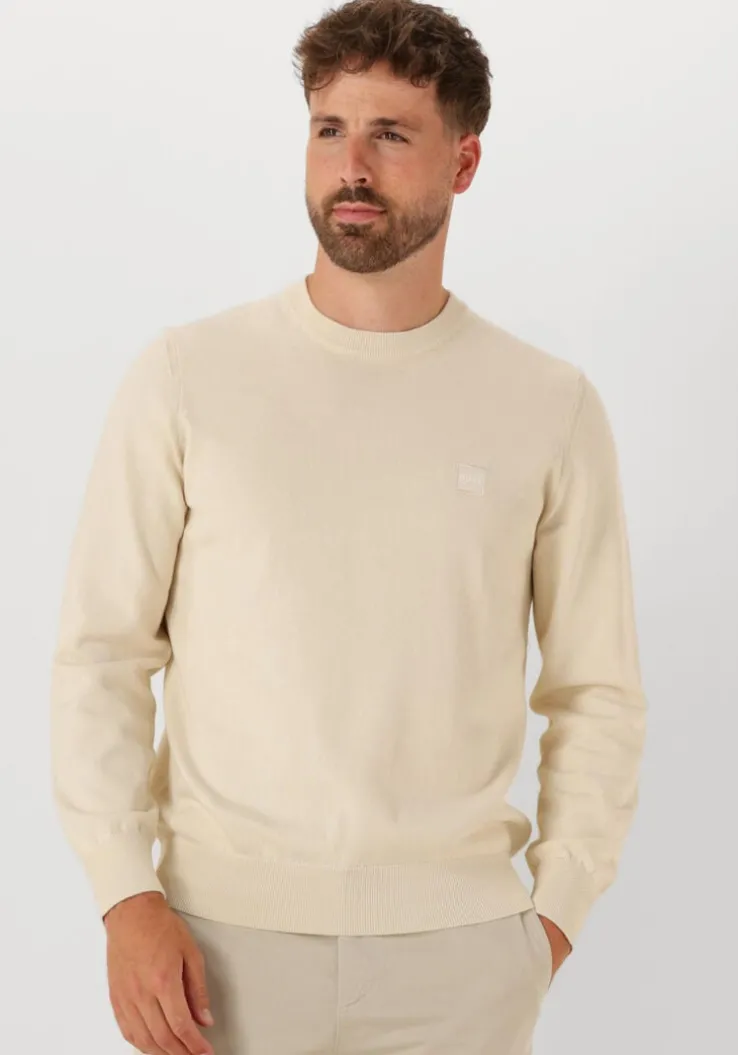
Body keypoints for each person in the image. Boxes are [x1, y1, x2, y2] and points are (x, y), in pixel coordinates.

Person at [49, 1, 647, 1053]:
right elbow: (101, 654)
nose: (351, 167)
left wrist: (550, 919)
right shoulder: (187, 376)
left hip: (461, 958)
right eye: (329, 129)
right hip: (215, 952)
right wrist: (124, 895)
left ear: (464, 162)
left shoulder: (547, 405)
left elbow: (597, 688)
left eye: (390, 134)